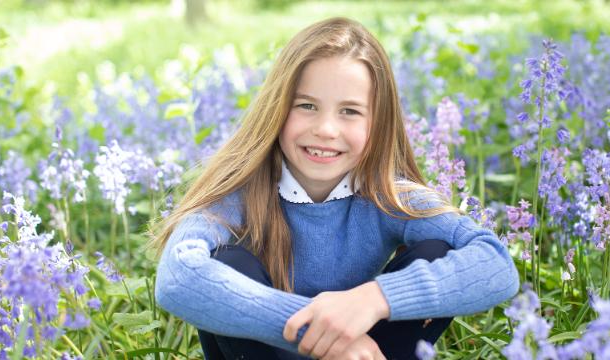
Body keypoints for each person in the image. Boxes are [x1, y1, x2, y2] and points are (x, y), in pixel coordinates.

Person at [150, 16, 520, 360]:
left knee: (439, 250)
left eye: (350, 111)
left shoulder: (388, 195)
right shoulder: (239, 193)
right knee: (229, 263)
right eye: (307, 105)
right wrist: (323, 332)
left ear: (378, 123)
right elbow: (176, 279)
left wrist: (372, 300)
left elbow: (497, 265)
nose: (326, 129)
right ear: (276, 110)